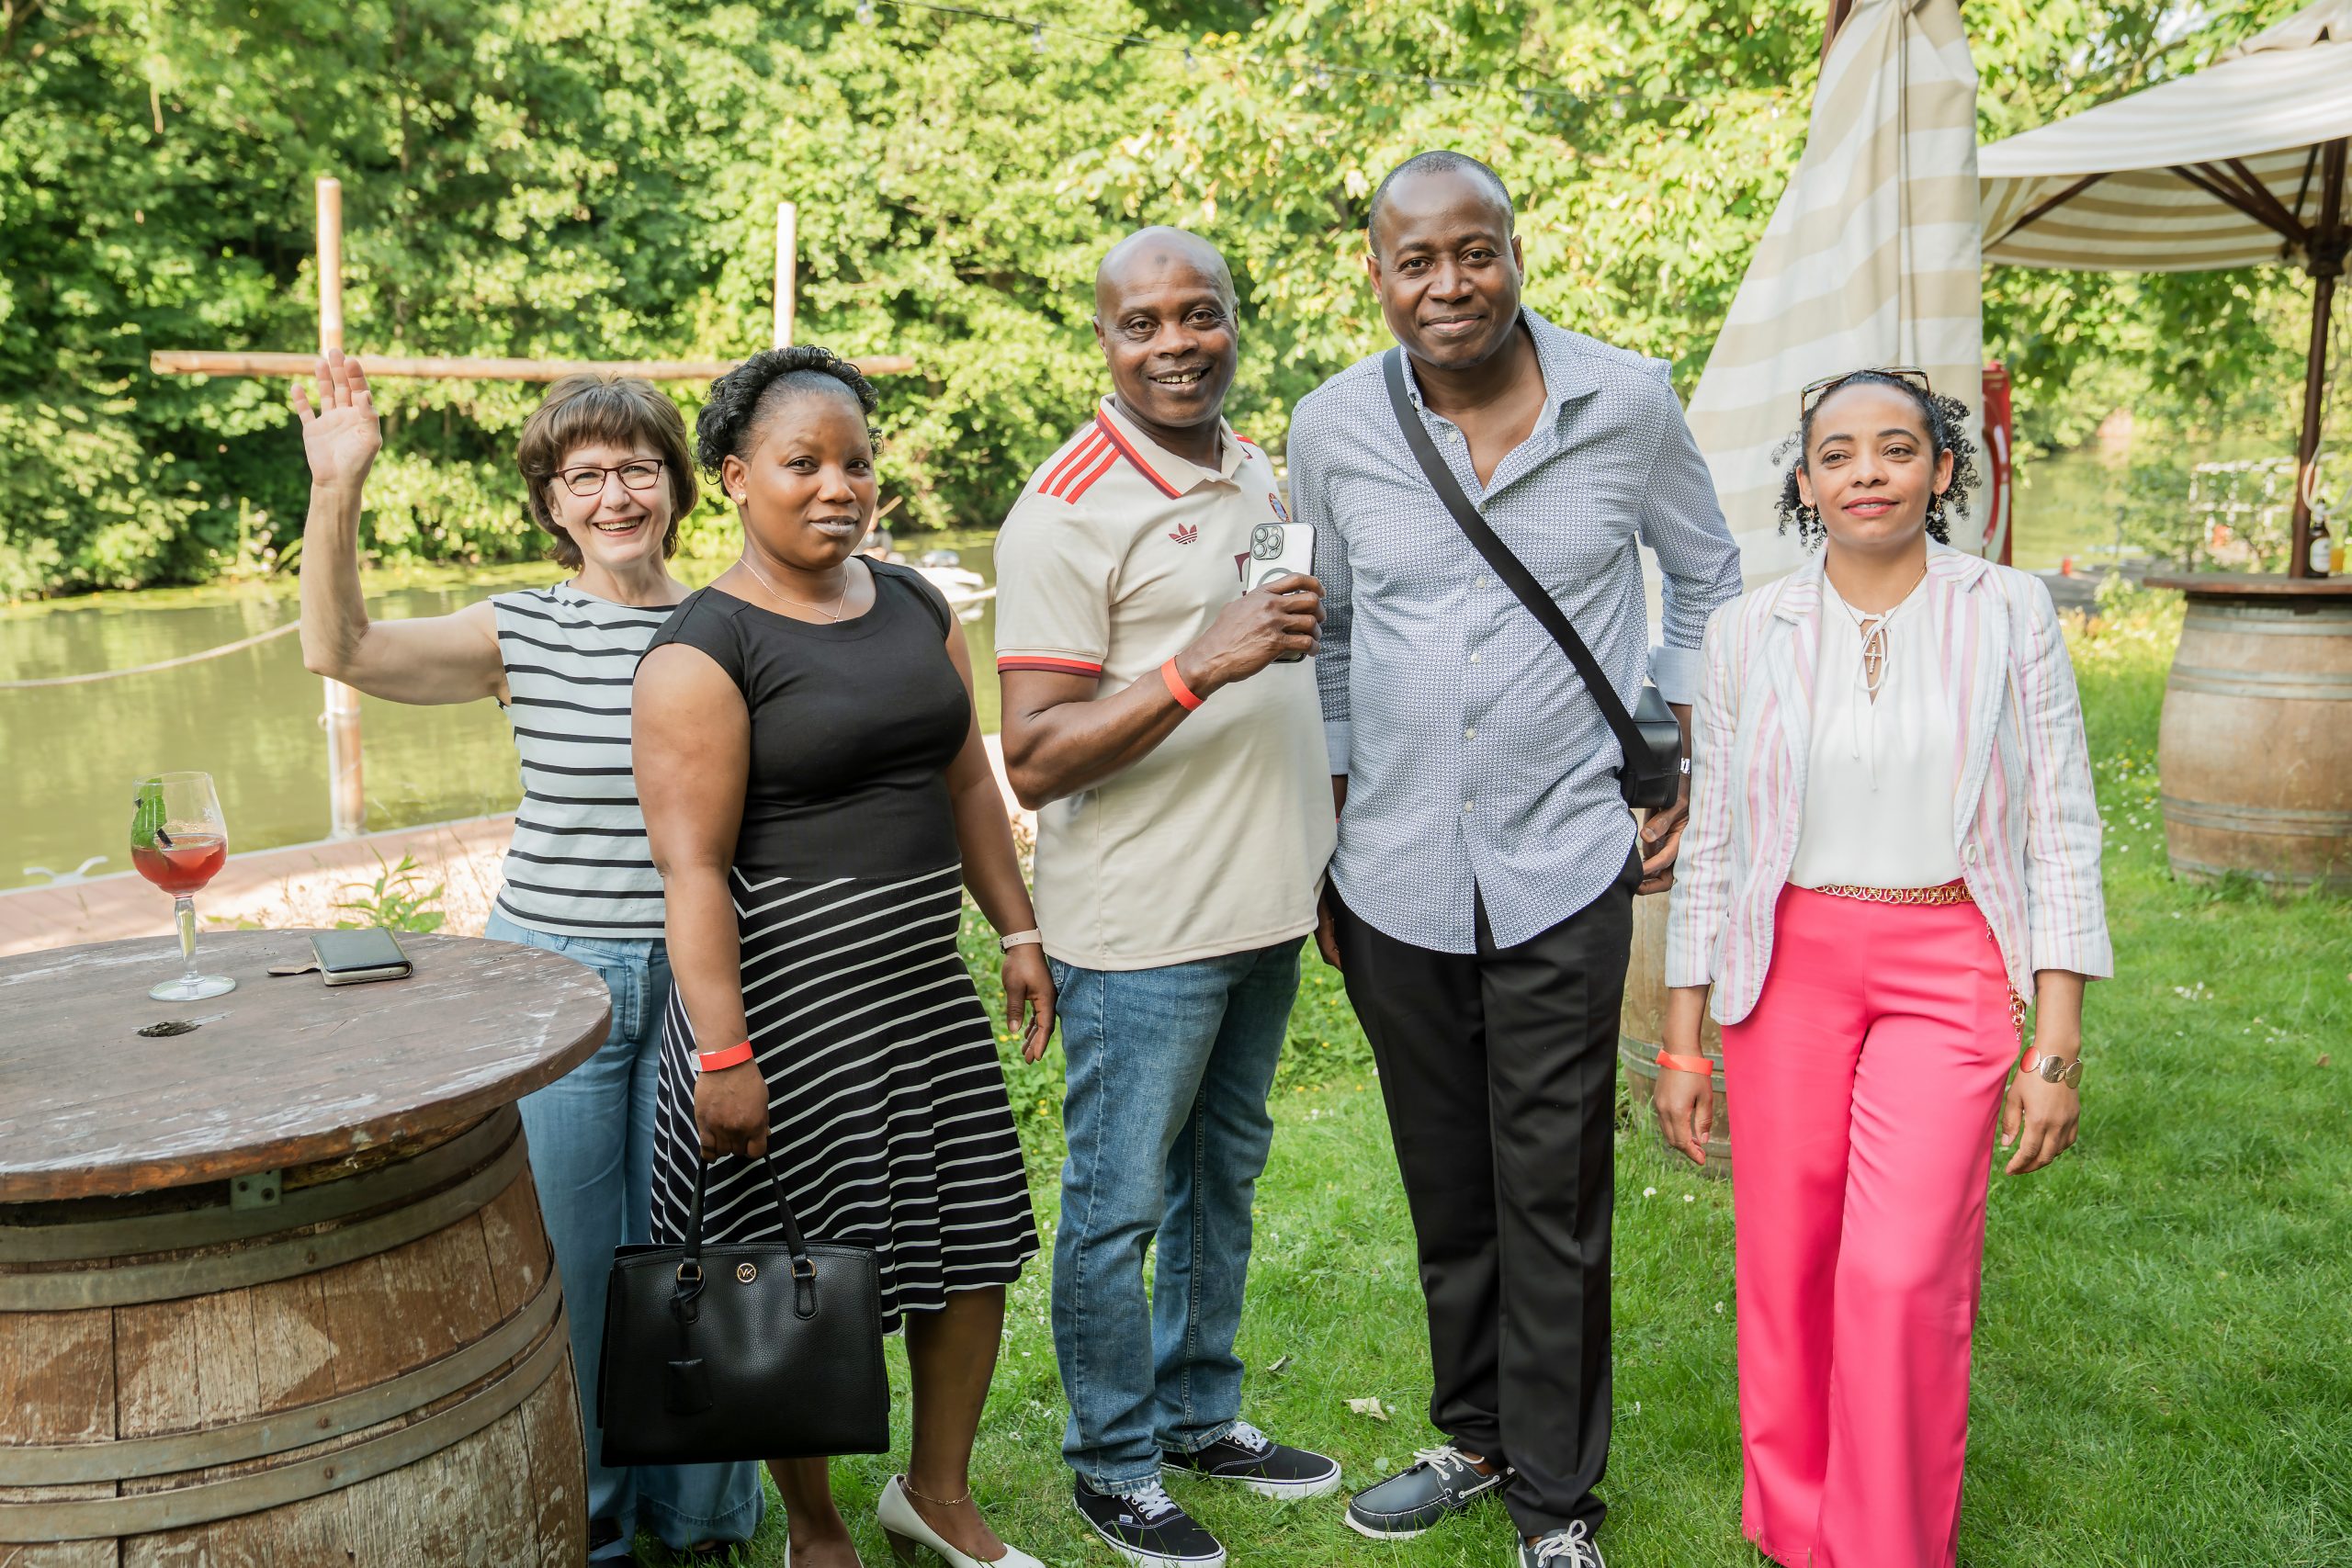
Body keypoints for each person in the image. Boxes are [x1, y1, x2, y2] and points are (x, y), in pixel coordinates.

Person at [1287, 152, 1744, 1568]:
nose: (1448, 284)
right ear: (1376, 273)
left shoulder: (1629, 400)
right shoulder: (1331, 426)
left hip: (1563, 854)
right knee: (1447, 1182)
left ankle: (1556, 1500)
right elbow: (1332, 632)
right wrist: (1334, 821)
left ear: (1515, 254)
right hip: (1395, 868)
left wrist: (1674, 743)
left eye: (1473, 252)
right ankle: (1475, 1435)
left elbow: (1710, 574)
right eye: (1416, 260)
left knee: (1552, 1187)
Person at [291, 354, 764, 1560]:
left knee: (701, 1248)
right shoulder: (522, 628)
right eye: (584, 475)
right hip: (560, 982)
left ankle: (699, 1517)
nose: (614, 496)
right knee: (573, 1257)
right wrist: (337, 488)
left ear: (678, 487)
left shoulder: (732, 623)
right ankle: (589, 1519)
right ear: (552, 502)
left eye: (638, 469)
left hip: (708, 977)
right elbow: (340, 647)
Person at [1655, 367, 2110, 1568]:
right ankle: (1795, 1526)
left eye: (1897, 449)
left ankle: (1888, 1543)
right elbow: (1716, 843)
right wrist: (1683, 1037)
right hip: (1786, 966)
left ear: (1942, 470)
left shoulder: (2010, 609)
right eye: (1839, 454)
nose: (1868, 472)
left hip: (1949, 959)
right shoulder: (1748, 630)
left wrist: (2056, 1044)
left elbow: (2061, 825)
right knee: (1789, 1259)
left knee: (1903, 1272)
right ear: (1806, 483)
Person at [634, 345, 1050, 1568]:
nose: (838, 487)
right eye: (802, 463)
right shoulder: (701, 651)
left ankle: (937, 1495)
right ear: (734, 477)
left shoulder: (917, 605)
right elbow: (692, 872)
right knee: (790, 1276)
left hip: (922, 998)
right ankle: (815, 1532)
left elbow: (966, 781)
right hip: (783, 1015)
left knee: (970, 1245)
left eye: (856, 462)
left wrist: (1018, 929)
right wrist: (723, 1053)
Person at [993, 227, 1340, 1568]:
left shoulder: (1251, 463)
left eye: (1200, 314)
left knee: (1222, 1179)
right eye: (1142, 324)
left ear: (1233, 319)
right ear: (1104, 338)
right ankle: (1113, 1463)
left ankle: (1199, 1416)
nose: (1176, 344)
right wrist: (1201, 662)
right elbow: (1034, 757)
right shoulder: (1067, 506)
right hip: (1143, 932)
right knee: (1117, 1207)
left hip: (1262, 909)